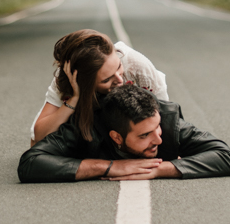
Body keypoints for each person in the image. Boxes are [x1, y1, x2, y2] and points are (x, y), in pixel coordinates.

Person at [18, 84, 230, 183]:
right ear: (116, 137)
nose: (158, 139)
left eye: (157, 128)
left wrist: (162, 169)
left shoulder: (168, 122)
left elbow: (226, 157)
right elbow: (30, 163)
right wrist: (108, 166)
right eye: (144, 136)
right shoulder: (84, 127)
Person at [30, 30, 167, 146]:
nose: (120, 80)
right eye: (107, 79)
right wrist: (74, 99)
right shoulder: (68, 77)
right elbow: (38, 139)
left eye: (118, 67)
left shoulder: (136, 64)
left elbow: (165, 120)